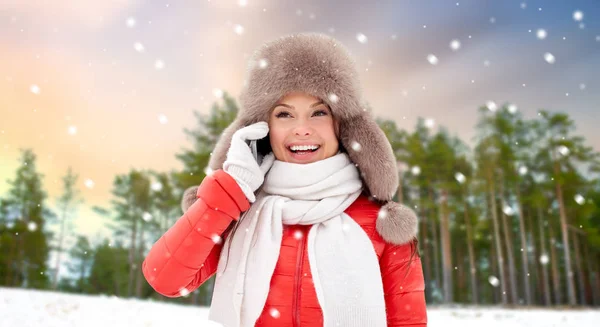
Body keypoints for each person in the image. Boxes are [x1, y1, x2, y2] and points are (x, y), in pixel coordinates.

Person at [143, 33, 427, 327]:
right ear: (262, 127)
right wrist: (228, 190)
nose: (302, 129)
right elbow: (165, 279)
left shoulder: (381, 223)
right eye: (284, 114)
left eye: (318, 112)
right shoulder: (237, 211)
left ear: (341, 124)